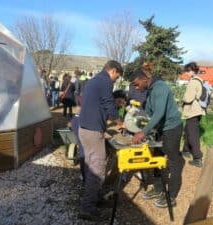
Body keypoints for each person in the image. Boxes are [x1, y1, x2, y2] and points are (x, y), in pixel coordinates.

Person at [129, 62, 184, 208]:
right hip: (160, 129)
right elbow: (148, 113)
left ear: (145, 79)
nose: (136, 87)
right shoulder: (150, 90)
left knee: (174, 162)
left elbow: (159, 113)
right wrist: (136, 119)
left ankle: (171, 196)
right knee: (157, 158)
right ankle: (159, 189)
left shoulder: (161, 87)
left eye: (136, 84)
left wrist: (143, 132)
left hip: (172, 128)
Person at [78, 60, 123, 221]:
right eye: (118, 76)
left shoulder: (94, 80)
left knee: (92, 165)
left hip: (84, 129)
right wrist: (121, 122)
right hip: (92, 131)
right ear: (113, 71)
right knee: (97, 170)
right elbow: (109, 106)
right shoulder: (105, 82)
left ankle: (92, 198)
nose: (116, 79)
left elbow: (97, 105)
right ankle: (87, 208)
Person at [181, 62, 205, 167]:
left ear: (192, 71)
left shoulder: (193, 82)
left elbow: (188, 98)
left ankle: (197, 158)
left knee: (192, 135)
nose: (186, 73)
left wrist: (182, 99)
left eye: (187, 71)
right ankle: (186, 150)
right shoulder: (200, 80)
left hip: (192, 111)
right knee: (188, 130)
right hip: (198, 110)